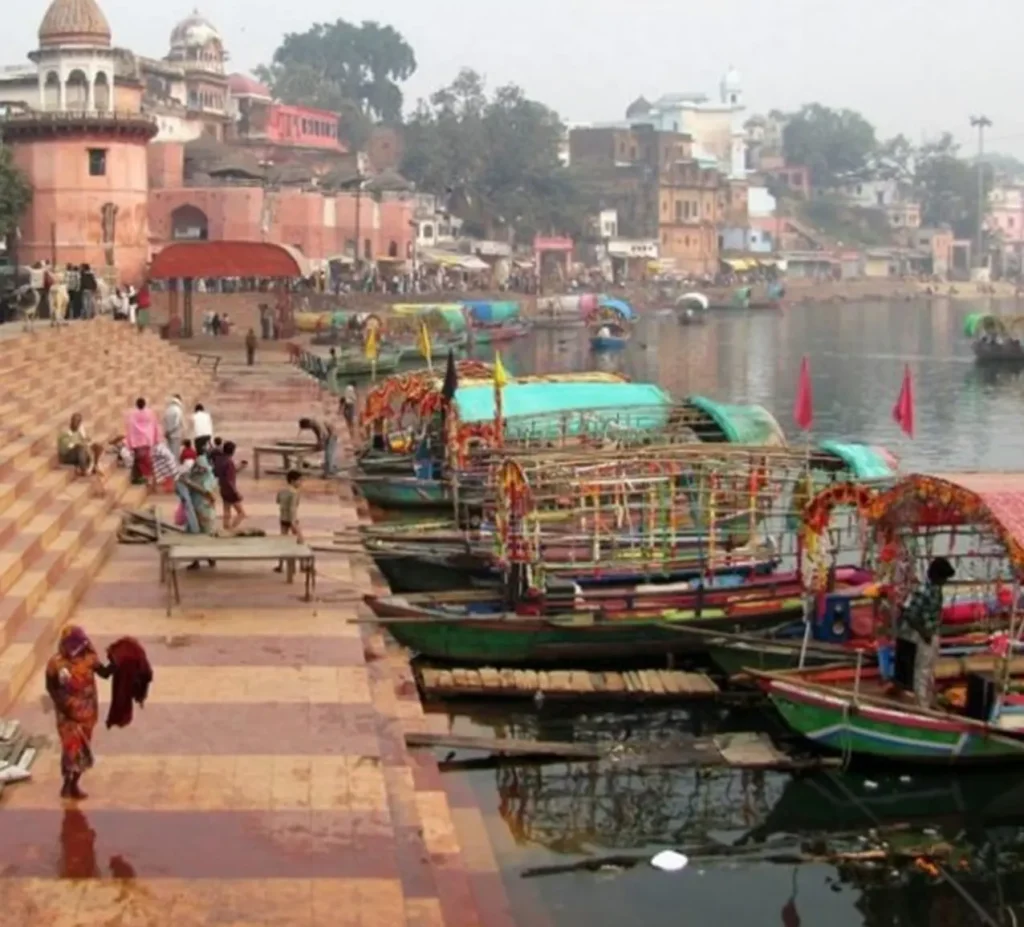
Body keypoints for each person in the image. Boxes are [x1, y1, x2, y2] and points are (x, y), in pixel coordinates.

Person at [45, 626, 113, 799]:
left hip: (87, 715)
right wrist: (66, 704)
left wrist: (117, 664)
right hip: (67, 715)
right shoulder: (56, 663)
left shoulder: (89, 657)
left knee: (83, 751)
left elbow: (104, 673)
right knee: (71, 749)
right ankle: (66, 784)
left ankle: (74, 783)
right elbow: (51, 687)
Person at [898, 557, 955, 707]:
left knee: (929, 670)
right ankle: (921, 705)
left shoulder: (935, 590)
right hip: (924, 635)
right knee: (922, 671)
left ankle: (927, 701)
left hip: (932, 632)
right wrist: (924, 633)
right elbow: (910, 614)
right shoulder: (924, 590)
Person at [125, 397, 160, 486]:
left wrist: (129, 443)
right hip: (147, 440)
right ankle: (148, 478)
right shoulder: (150, 413)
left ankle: (143, 477)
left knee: (140, 460)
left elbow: (130, 428)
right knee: (147, 460)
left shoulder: (132, 415)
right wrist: (156, 439)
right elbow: (154, 426)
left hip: (137, 442)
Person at [275, 469, 304, 572]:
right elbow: (293, 508)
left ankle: (280, 565)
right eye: (299, 480)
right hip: (292, 520)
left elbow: (277, 501)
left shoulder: (282, 490)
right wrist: (293, 523)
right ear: (293, 481)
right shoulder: (294, 493)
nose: (301, 483)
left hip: (283, 518)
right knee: (300, 541)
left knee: (283, 542)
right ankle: (302, 565)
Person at [216, 440, 247, 531]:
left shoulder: (221, 461)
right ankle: (232, 529)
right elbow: (230, 479)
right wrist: (236, 492)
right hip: (230, 490)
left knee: (226, 510)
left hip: (223, 488)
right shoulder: (229, 462)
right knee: (241, 513)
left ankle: (226, 527)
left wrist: (240, 467)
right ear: (233, 451)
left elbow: (229, 473)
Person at [163, 394, 185, 459]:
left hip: (168, 435)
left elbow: (165, 421)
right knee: (175, 455)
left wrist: (167, 432)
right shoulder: (178, 409)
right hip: (176, 435)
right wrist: (170, 431)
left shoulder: (168, 410)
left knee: (169, 454)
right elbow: (177, 423)